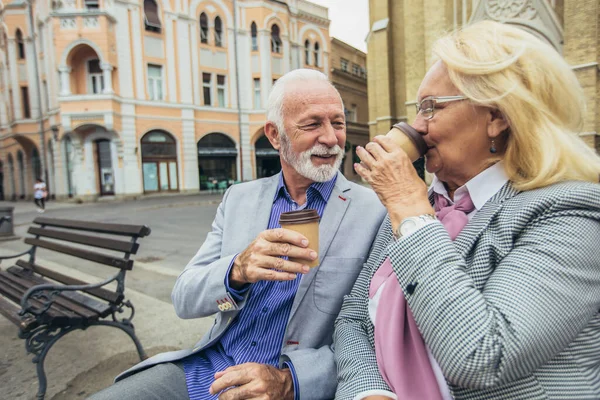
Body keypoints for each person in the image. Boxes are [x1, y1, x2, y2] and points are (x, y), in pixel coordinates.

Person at [334, 21, 600, 400]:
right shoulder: (424, 204)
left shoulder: (571, 213)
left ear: (497, 116)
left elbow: (481, 355)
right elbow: (354, 319)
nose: (417, 126)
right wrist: (368, 391)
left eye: (430, 107)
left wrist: (410, 211)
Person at [90, 69, 386, 400]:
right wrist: (237, 270)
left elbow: (378, 338)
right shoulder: (239, 199)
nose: (331, 138)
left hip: (288, 387)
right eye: (313, 124)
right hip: (209, 369)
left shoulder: (375, 211)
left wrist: (291, 381)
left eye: (339, 123)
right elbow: (185, 299)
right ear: (275, 136)